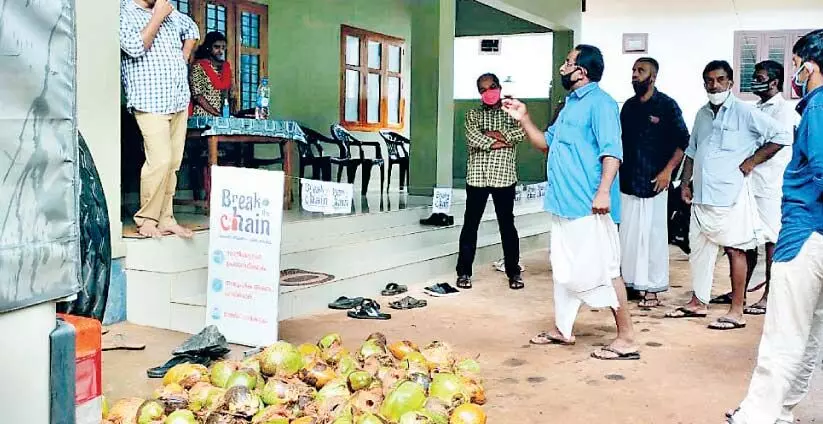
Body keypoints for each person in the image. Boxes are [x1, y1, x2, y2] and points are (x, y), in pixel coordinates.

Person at [502, 45, 639, 360]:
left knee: (606, 269)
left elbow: (612, 151)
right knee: (563, 269)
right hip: (563, 202)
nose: (562, 68)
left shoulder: (601, 104)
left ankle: (627, 337)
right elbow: (546, 144)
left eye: (568, 63)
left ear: (582, 71)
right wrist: (524, 118)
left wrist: (603, 191)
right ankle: (562, 329)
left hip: (589, 203)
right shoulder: (569, 105)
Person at [726, 28, 823, 424]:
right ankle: (781, 411)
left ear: (809, 67)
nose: (795, 73)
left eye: (796, 65)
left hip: (806, 235)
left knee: (784, 333)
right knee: (810, 330)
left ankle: (756, 416)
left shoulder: (818, 107)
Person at [664, 61, 791, 330]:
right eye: (709, 81)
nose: (715, 85)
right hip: (702, 196)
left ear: (730, 83)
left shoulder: (745, 112)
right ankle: (698, 302)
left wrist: (752, 161)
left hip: (731, 195)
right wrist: (685, 183)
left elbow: (782, 135)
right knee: (699, 250)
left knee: (736, 249)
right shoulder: (702, 114)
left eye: (720, 80)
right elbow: (692, 151)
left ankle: (736, 311)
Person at [713, 61, 801, 315]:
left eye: (759, 78)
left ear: (774, 82)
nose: (754, 81)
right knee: (746, 238)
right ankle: (740, 292)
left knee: (772, 240)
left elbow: (780, 141)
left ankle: (769, 295)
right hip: (749, 184)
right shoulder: (754, 108)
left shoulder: (785, 111)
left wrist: (751, 161)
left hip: (770, 184)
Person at [120, 0, 199, 238]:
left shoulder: (170, 12)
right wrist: (158, 16)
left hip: (178, 99)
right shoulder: (124, 13)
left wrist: (184, 55)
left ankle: (166, 218)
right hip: (149, 100)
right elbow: (134, 47)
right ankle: (146, 220)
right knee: (160, 161)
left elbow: (192, 28)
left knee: (173, 163)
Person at [619, 57, 690, 308]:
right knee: (628, 237)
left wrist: (668, 172)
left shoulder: (667, 106)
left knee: (654, 237)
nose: (635, 74)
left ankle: (652, 289)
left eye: (641, 71)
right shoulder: (628, 107)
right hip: (628, 182)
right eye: (633, 70)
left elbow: (683, 141)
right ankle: (630, 284)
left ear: (653, 76)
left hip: (656, 183)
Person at [455, 73, 525, 291]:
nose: (489, 92)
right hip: (477, 177)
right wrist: (501, 139)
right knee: (470, 225)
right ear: (479, 93)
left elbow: (520, 133)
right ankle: (464, 272)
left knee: (507, 225)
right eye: (483, 90)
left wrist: (491, 135)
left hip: (504, 177)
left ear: (500, 87)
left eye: (492, 87)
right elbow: (473, 138)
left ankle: (513, 271)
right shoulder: (473, 114)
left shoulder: (511, 112)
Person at [190, 31, 234, 117]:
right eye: (217, 47)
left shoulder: (226, 67)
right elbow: (198, 96)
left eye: (223, 47)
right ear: (208, 47)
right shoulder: (198, 66)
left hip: (223, 116)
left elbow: (229, 93)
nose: (220, 51)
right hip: (203, 115)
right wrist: (216, 114)